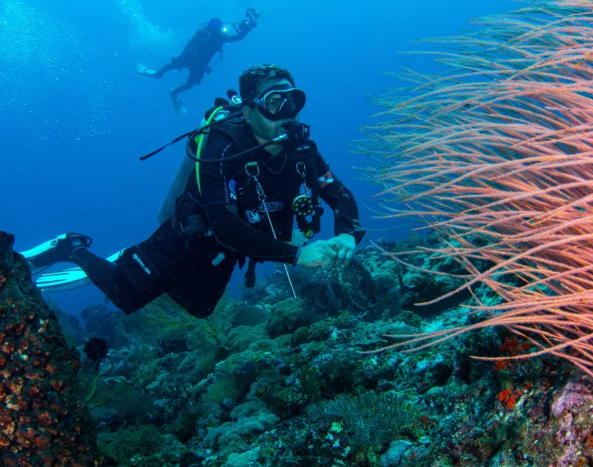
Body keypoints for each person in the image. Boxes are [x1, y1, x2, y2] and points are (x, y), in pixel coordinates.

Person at [23, 63, 364, 318]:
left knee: (199, 308)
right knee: (125, 296)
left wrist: (348, 234)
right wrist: (295, 255)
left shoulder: (301, 148)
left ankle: (135, 258)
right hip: (192, 234)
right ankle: (71, 248)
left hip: (233, 243)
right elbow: (220, 220)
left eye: (294, 100)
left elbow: (339, 194)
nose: (288, 112)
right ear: (249, 110)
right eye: (275, 102)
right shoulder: (224, 147)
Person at [137, 9, 259, 114]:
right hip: (189, 58)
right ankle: (156, 74)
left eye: (217, 25)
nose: (213, 26)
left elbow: (237, 37)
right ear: (209, 24)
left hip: (200, 66)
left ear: (220, 27)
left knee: (189, 86)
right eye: (212, 23)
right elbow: (189, 44)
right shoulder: (202, 33)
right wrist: (181, 57)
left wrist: (247, 29)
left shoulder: (220, 38)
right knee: (169, 67)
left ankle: (174, 92)